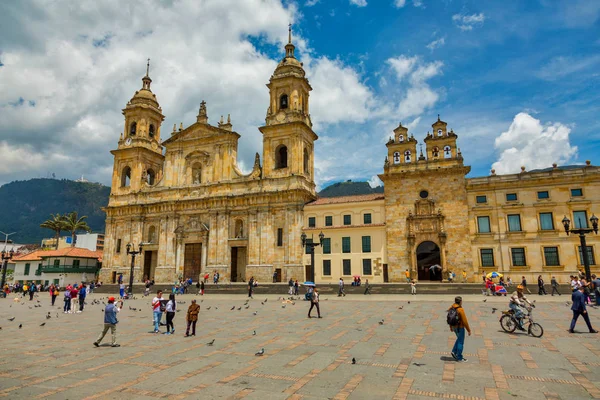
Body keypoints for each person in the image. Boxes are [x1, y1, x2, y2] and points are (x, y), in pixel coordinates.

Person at [448, 296, 471, 362]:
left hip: (454, 327)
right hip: (460, 328)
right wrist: (468, 330)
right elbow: (465, 321)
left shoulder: (451, 307)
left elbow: (449, 318)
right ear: (460, 302)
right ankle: (459, 357)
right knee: (461, 342)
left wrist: (451, 327)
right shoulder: (460, 309)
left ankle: (454, 351)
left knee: (459, 339)